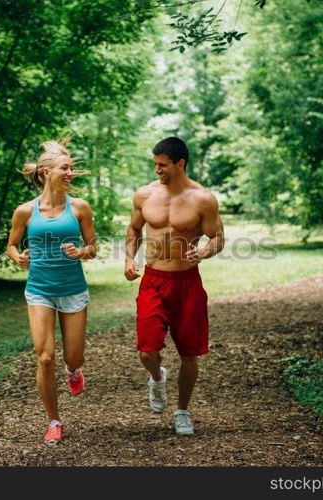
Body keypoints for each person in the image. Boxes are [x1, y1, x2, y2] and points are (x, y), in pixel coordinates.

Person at [124, 137, 224, 435]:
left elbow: (217, 237)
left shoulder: (203, 199)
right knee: (146, 351)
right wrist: (129, 257)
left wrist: (205, 251)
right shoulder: (144, 195)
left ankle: (182, 411)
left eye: (163, 165)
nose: (157, 170)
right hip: (154, 281)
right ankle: (157, 378)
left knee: (189, 354)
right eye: (155, 164)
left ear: (180, 164)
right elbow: (134, 228)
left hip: (187, 283)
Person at [7, 138, 96, 445]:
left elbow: (93, 248)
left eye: (71, 168)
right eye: (65, 168)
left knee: (74, 357)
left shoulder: (80, 208)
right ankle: (54, 421)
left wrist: (79, 253)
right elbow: (11, 245)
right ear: (46, 173)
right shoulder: (25, 211)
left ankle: (74, 371)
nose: (70, 173)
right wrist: (18, 257)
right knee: (45, 358)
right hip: (39, 290)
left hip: (72, 290)